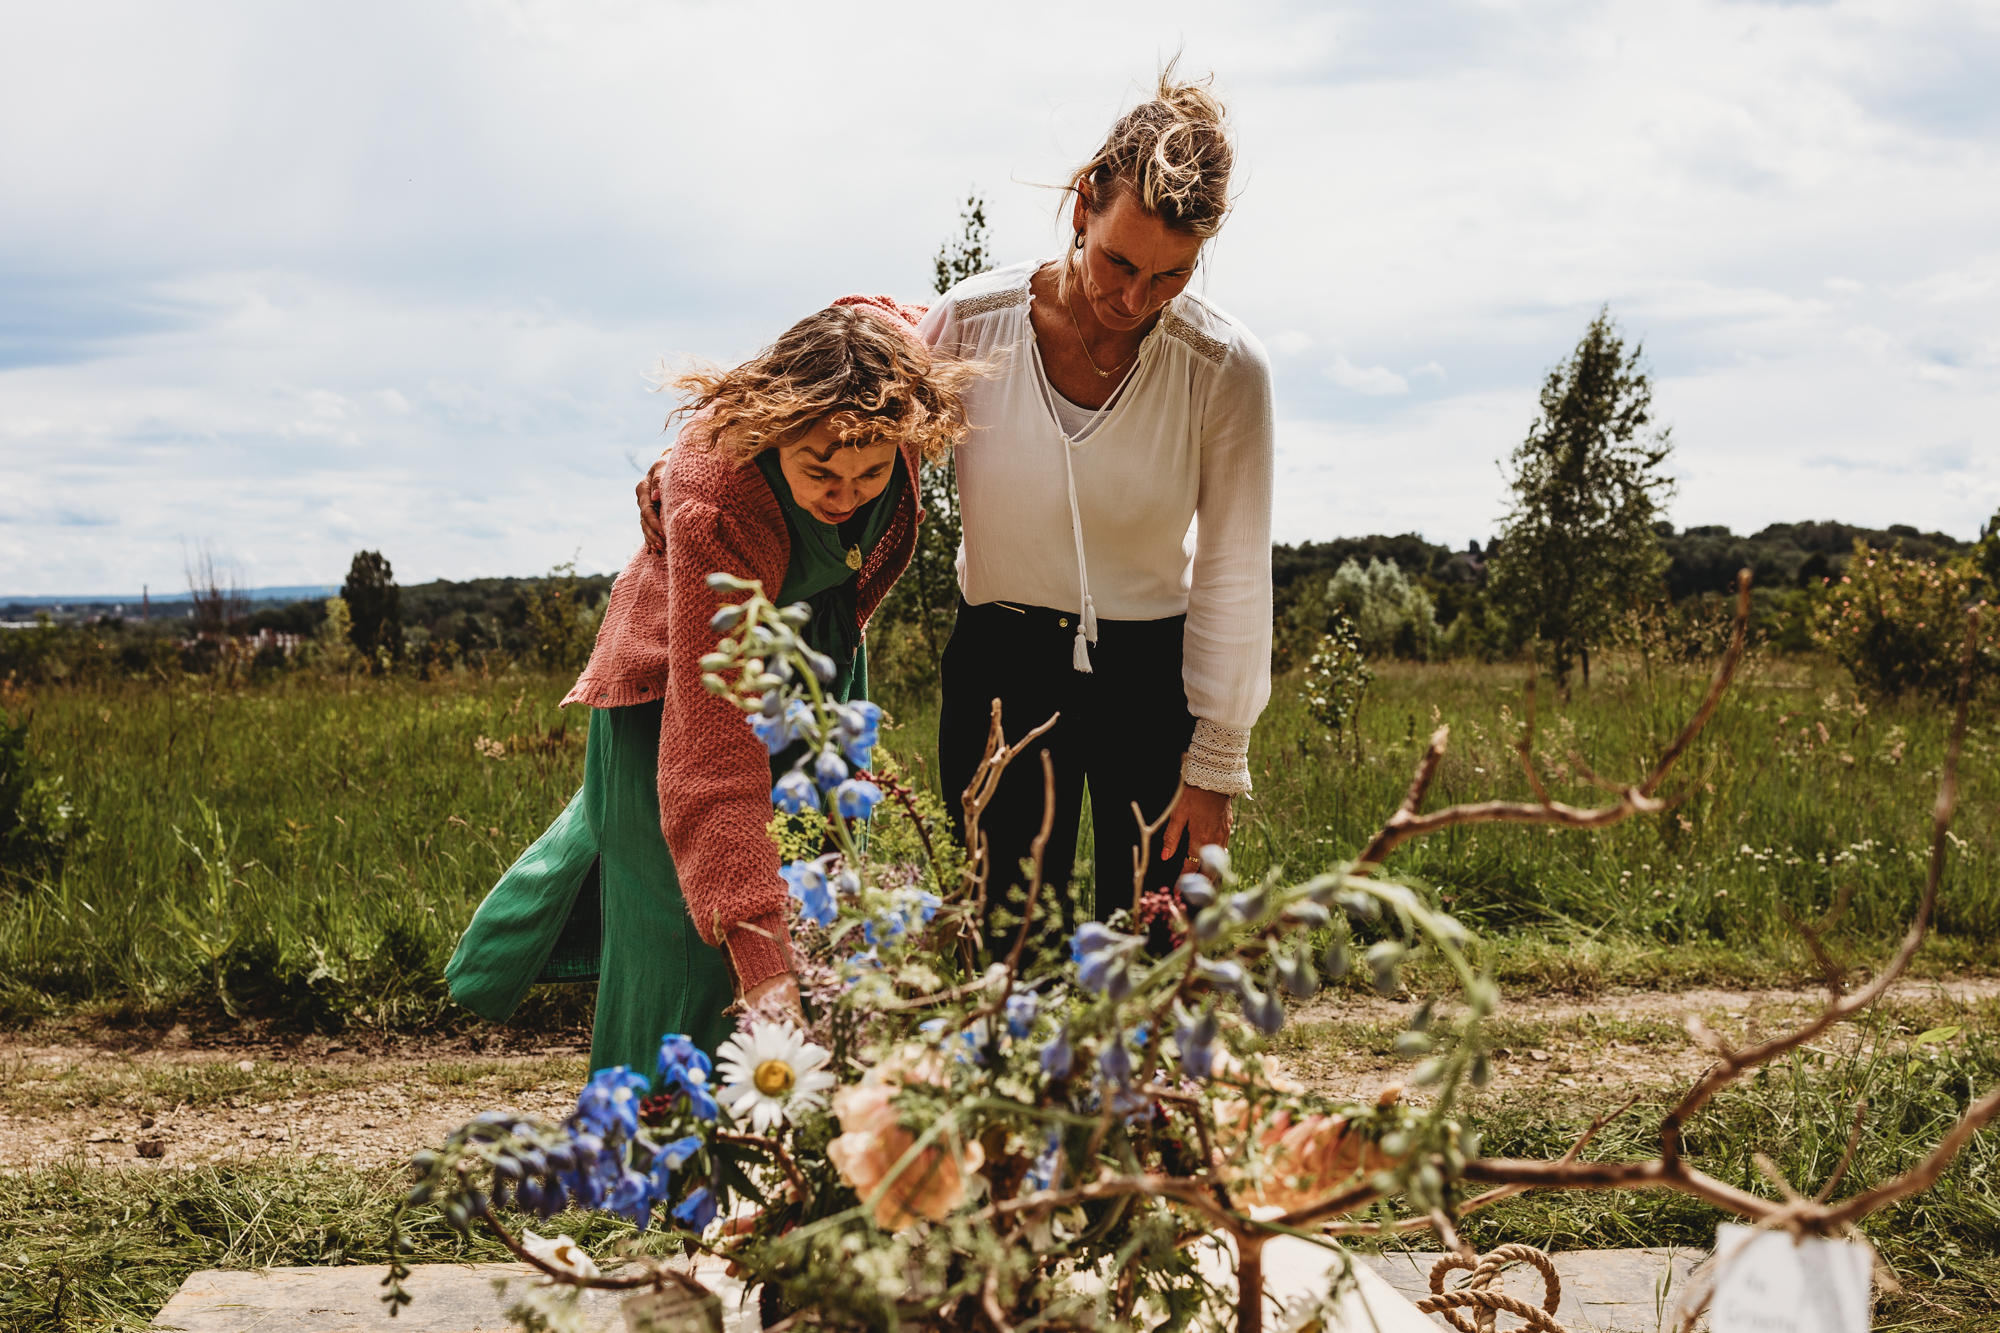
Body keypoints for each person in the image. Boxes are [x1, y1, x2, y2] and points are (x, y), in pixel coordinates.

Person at [446, 297, 972, 1073]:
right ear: (772, 430)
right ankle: (656, 1158)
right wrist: (764, 972)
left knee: (821, 885)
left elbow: (881, 312)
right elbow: (714, 760)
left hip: (810, 662)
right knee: (687, 944)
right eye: (818, 470)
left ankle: (806, 1135)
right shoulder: (716, 503)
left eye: (870, 472)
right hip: (674, 696)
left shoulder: (894, 378)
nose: (845, 495)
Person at [920, 69, 1273, 950]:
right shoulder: (971, 322)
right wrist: (695, 466)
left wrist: (1215, 768)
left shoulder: (1225, 366)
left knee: (1155, 951)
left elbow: (1234, 566)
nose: (1134, 299)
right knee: (1004, 945)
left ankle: (1142, 1096)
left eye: (1170, 276)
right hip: (998, 664)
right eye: (1121, 261)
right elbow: (856, 433)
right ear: (1083, 205)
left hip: (1151, 679)